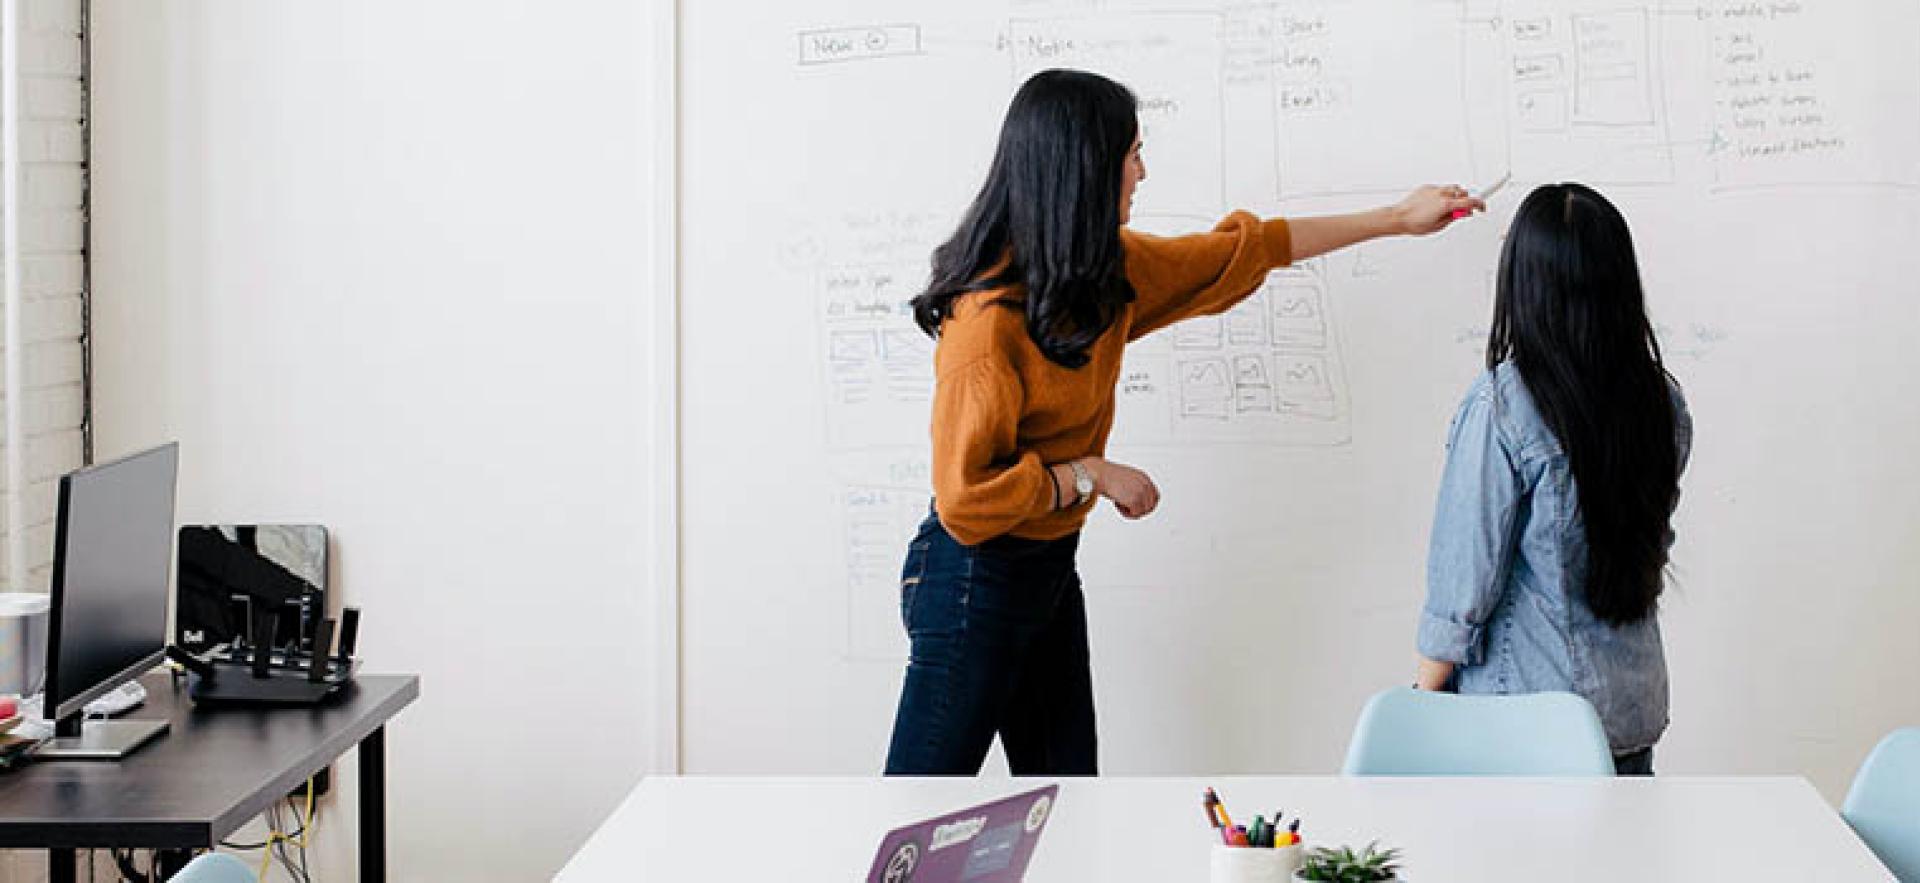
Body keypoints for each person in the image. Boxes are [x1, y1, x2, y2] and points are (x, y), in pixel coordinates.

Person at [884, 68, 1483, 775]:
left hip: (1045, 571)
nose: (1142, 171)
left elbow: (1246, 250)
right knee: (921, 812)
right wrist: (1089, 474)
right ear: (1083, 169)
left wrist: (1396, 218)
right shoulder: (984, 326)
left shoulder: (1102, 275)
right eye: (1130, 154)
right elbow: (964, 501)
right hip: (968, 579)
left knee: (1070, 802)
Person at [1413, 182, 1691, 776]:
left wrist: (1420, 699)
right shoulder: (1660, 401)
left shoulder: (1503, 406)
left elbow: (1465, 582)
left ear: (1524, 281)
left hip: (1525, 720)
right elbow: (1649, 545)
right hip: (1628, 711)